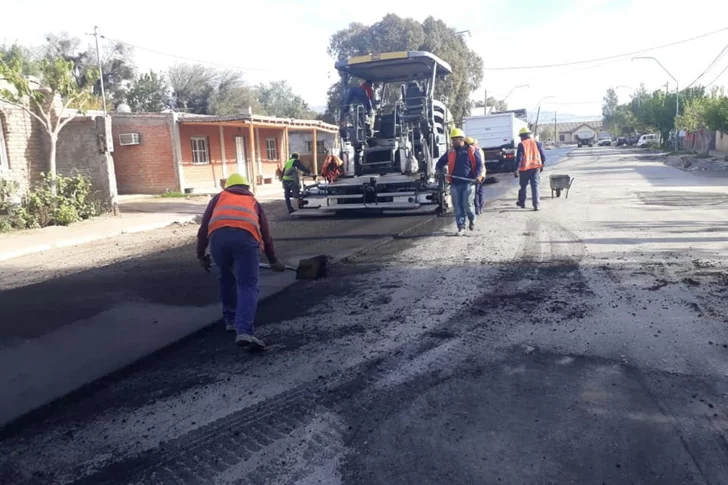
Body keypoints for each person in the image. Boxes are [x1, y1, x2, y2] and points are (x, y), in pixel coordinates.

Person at [197, 173, 286, 350]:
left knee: (226, 277)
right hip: (246, 239)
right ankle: (244, 331)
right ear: (247, 188)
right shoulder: (253, 203)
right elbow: (266, 235)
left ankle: (230, 320)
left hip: (218, 239)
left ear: (228, 187)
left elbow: (203, 228)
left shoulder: (218, 198)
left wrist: (201, 255)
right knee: (247, 284)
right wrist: (273, 260)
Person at [436, 128, 485, 235]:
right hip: (454, 183)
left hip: (469, 182)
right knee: (457, 207)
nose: (452, 142)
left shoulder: (472, 150)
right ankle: (461, 227)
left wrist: (477, 176)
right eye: (452, 139)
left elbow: (480, 165)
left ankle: (472, 219)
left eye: (454, 139)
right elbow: (440, 162)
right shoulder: (451, 152)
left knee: (467, 204)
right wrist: (438, 170)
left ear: (461, 139)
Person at [514, 127, 546, 211]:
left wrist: (516, 169)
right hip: (535, 168)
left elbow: (519, 158)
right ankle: (536, 205)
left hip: (524, 169)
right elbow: (543, 156)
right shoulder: (536, 143)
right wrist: (542, 165)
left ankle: (522, 203)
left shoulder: (522, 144)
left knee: (523, 186)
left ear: (522, 136)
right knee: (535, 186)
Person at [466, 136, 487, 215]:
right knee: (480, 191)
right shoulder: (480, 150)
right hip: (483, 173)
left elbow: (477, 164)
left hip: (478, 174)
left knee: (475, 193)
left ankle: (477, 209)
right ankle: (480, 208)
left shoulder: (474, 151)